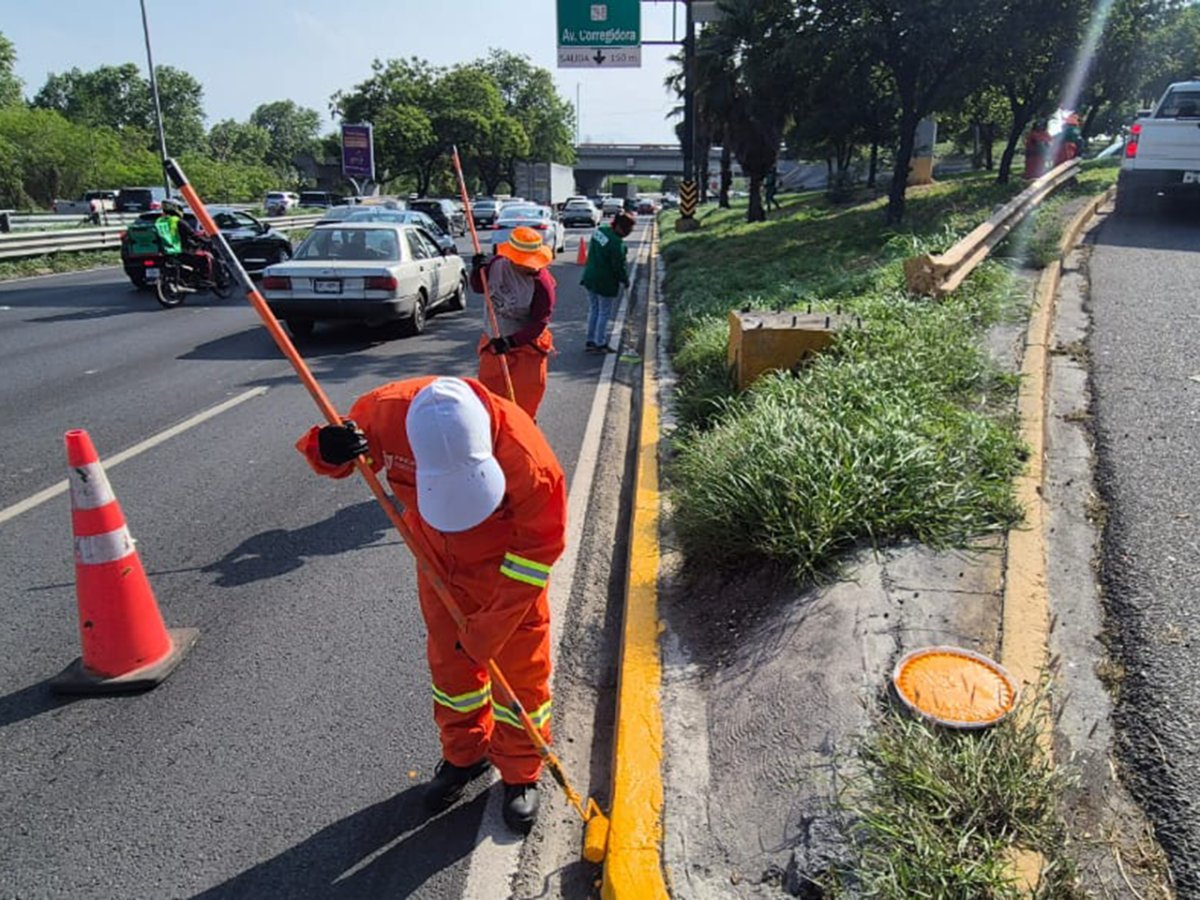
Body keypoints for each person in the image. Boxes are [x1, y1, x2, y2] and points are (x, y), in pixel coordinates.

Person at [296, 376, 567, 835]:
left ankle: (521, 771)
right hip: (437, 563)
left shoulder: (528, 457)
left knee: (520, 671)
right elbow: (342, 456)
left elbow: (540, 548)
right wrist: (329, 448)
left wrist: (494, 625)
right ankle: (465, 755)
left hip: (507, 572)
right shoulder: (386, 413)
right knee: (451, 669)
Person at [469, 226, 557, 420]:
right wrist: (476, 270)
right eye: (525, 262)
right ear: (512, 258)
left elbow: (540, 322)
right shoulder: (496, 265)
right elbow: (478, 287)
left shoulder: (542, 284)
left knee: (523, 404)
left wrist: (511, 342)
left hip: (527, 348)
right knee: (491, 401)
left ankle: (522, 434)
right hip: (494, 343)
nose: (531, 267)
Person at [580, 211, 634, 354]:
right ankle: (600, 342)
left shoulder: (600, 231)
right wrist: (625, 280)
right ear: (620, 227)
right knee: (604, 312)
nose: (628, 233)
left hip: (590, 277)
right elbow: (619, 267)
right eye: (627, 229)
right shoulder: (616, 244)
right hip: (605, 281)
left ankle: (590, 340)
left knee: (594, 309)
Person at [156, 198, 213, 283]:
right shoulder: (178, 221)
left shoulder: (159, 221)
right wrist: (205, 240)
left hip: (164, 251)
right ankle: (203, 280)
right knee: (204, 258)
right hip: (181, 250)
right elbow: (192, 234)